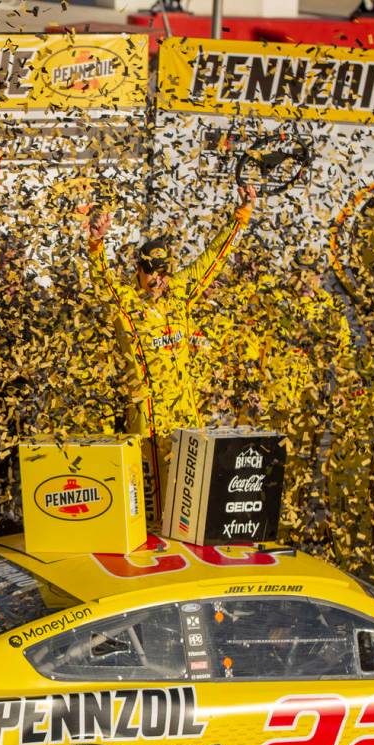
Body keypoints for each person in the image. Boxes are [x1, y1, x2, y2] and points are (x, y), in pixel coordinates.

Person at [87, 186, 256, 519]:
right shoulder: (126, 301)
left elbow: (213, 258)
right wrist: (95, 244)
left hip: (185, 414)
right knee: (150, 506)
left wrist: (242, 216)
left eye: (163, 272)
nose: (158, 279)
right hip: (147, 417)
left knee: (189, 504)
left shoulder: (180, 291)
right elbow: (100, 279)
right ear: (138, 269)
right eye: (151, 271)